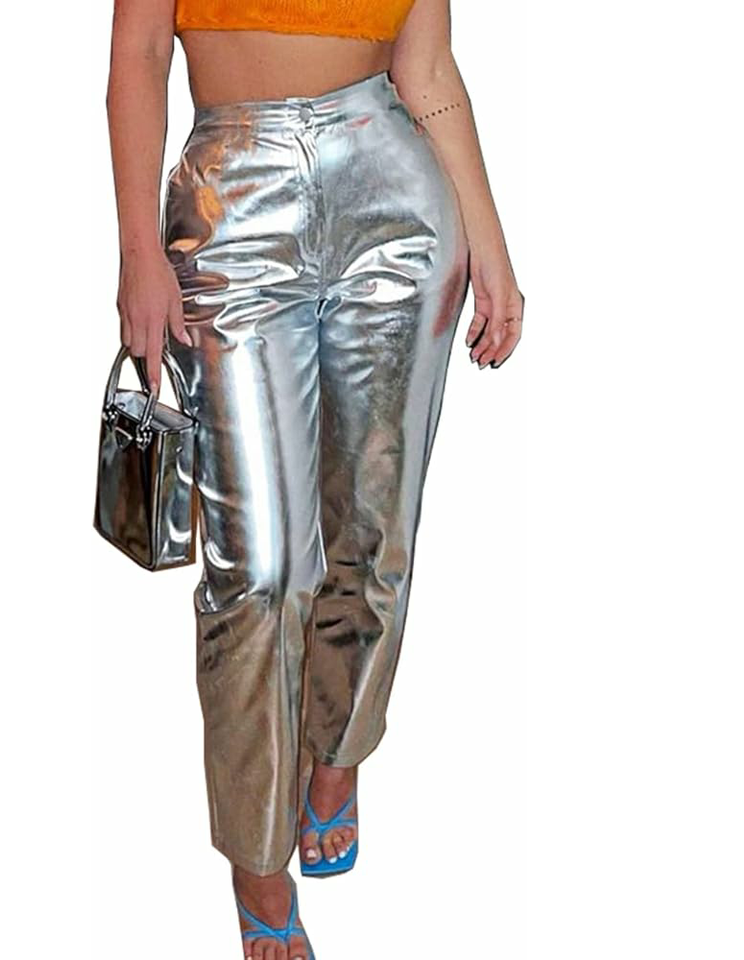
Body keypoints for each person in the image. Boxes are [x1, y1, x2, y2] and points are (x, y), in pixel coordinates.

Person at [106, 1, 524, 956]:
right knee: (258, 572)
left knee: (375, 531)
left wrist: (491, 247)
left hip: (395, 198)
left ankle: (336, 748)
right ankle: (256, 856)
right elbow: (138, 52)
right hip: (231, 202)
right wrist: (138, 254)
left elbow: (428, 72)